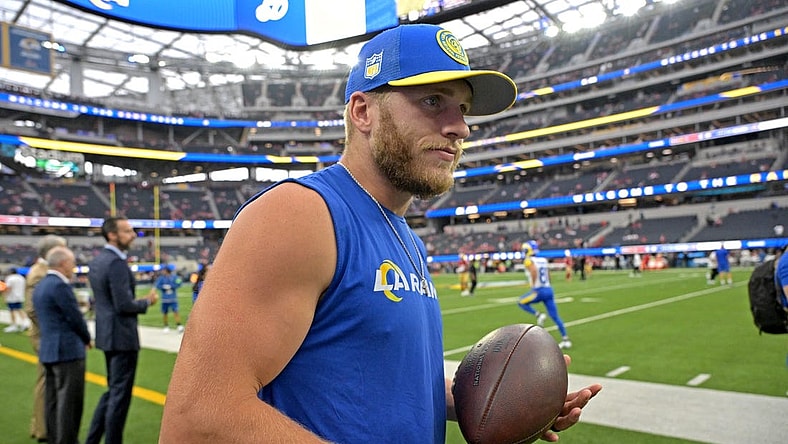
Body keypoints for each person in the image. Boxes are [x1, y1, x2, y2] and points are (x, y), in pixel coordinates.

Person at [160, 24, 600, 443]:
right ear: (363, 111)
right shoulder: (299, 213)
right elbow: (199, 418)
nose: (459, 128)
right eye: (432, 101)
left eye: (462, 109)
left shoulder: (405, 235)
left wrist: (495, 401)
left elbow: (385, 382)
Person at [86, 217, 158, 444]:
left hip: (108, 334)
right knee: (119, 396)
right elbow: (124, 305)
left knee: (112, 392)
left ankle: (93, 439)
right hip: (121, 336)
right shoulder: (116, 263)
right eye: (127, 231)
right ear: (112, 235)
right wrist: (147, 302)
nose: (133, 235)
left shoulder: (99, 261)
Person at [33, 246, 92, 444]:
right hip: (67, 350)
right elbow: (74, 317)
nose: (74, 266)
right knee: (69, 402)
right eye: (72, 262)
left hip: (48, 349)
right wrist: (86, 338)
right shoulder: (59, 286)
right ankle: (67, 440)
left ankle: (54, 438)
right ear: (63, 263)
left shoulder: (41, 285)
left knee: (52, 401)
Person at [24, 234, 68, 443]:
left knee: (47, 381)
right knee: (46, 382)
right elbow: (33, 309)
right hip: (45, 336)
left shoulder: (41, 272)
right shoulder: (39, 274)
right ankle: (43, 428)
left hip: (47, 334)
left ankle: (43, 425)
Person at [517, 241, 572, 349]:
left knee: (521, 302)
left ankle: (538, 315)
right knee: (555, 316)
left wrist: (534, 286)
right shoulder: (543, 260)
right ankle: (566, 339)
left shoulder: (529, 260)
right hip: (548, 289)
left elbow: (533, 271)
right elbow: (548, 275)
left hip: (539, 291)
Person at [154, 266, 183, 333]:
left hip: (173, 298)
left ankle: (179, 325)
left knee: (176, 311)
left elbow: (179, 283)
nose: (162, 272)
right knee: (165, 313)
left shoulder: (174, 277)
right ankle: (166, 326)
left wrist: (172, 286)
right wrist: (163, 287)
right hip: (165, 299)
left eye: (163, 270)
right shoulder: (161, 278)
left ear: (167, 271)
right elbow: (157, 285)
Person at [3, 267, 30, 332]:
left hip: (12, 297)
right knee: (19, 309)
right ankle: (25, 322)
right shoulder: (21, 278)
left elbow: (8, 288)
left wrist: (5, 296)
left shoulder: (10, 278)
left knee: (12, 310)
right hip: (20, 296)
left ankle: (13, 325)